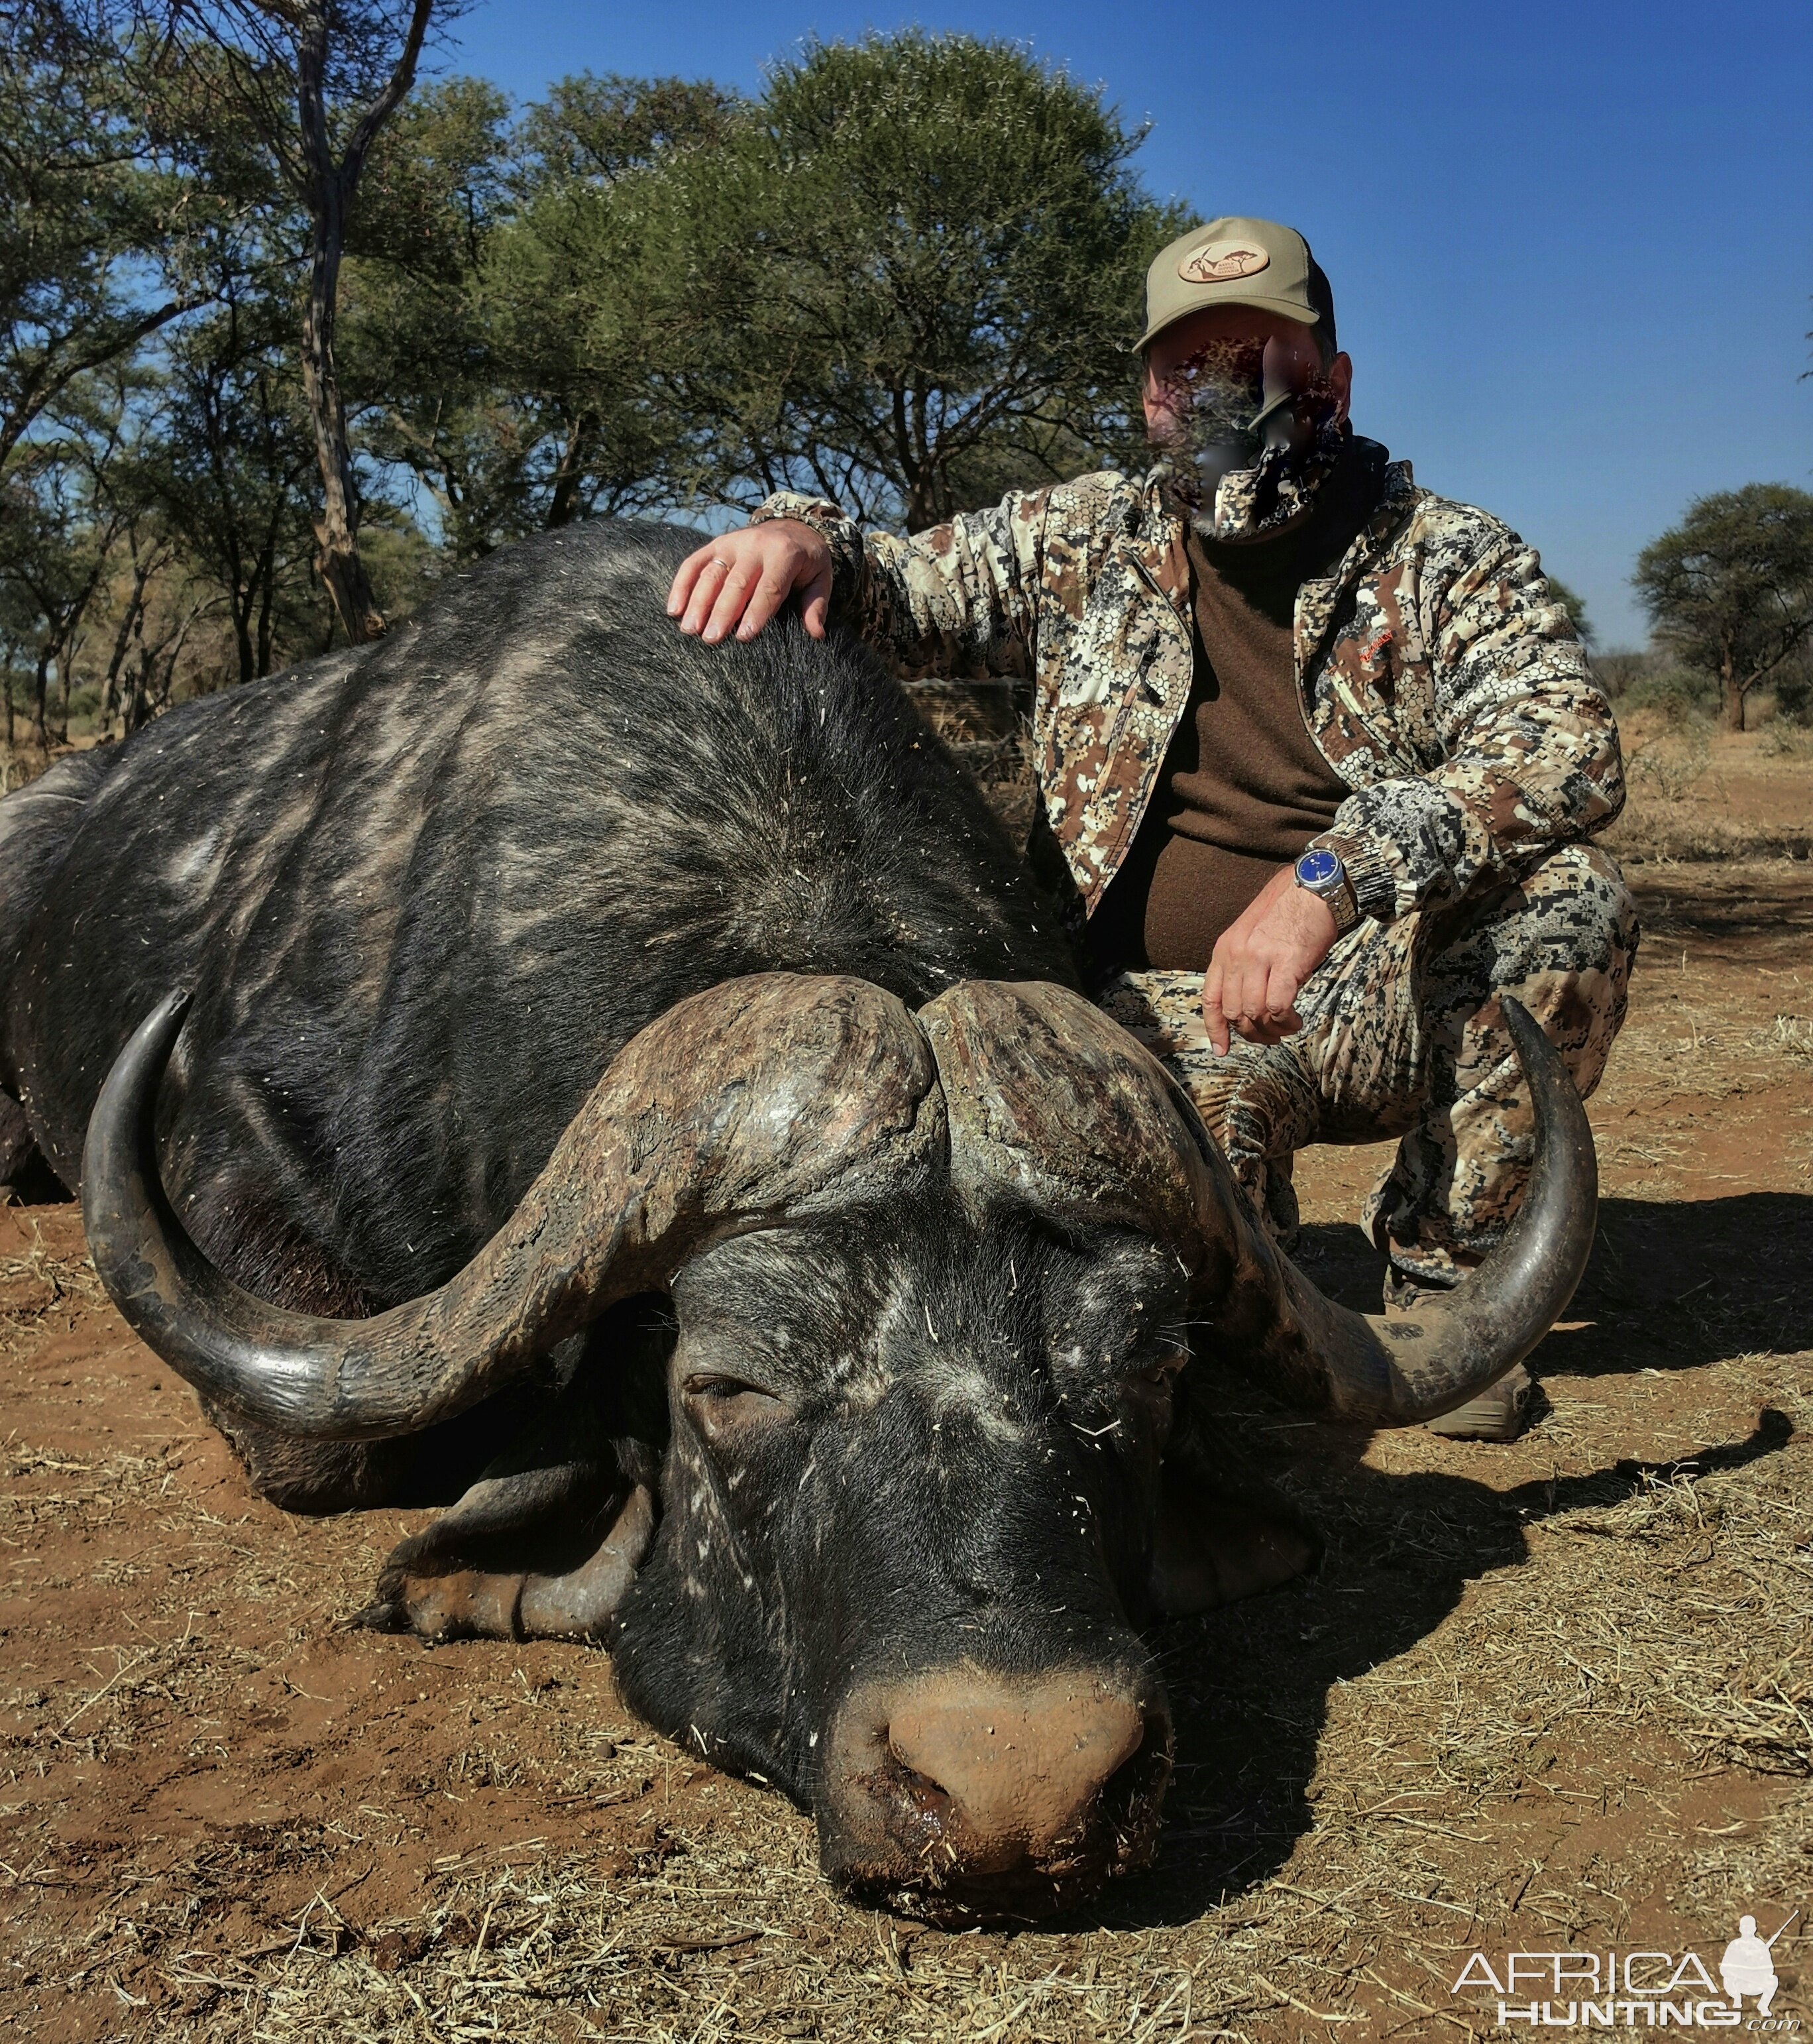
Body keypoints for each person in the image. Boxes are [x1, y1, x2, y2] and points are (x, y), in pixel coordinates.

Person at [666, 215, 1636, 1442]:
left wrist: (1328, 879)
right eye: (1188, 364)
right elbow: (899, 584)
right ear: (1147, 395)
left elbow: (1564, 747)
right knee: (1199, 1343)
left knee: (1569, 904)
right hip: (1121, 1016)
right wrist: (802, 533)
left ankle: (1448, 1286)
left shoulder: (1449, 558)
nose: (1219, 389)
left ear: (1333, 380)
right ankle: (1247, 1227)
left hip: (1361, 991)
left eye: (1260, 355)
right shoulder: (1081, 535)